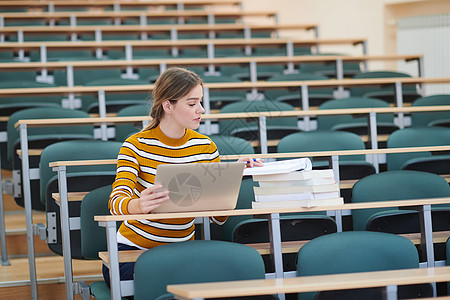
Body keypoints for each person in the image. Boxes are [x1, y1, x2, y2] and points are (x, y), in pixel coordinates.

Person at [103, 67, 263, 287]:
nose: (202, 109)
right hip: (134, 251)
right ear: (168, 106)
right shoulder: (135, 146)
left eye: (200, 102)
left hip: (182, 251)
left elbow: (217, 219)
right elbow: (115, 202)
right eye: (192, 103)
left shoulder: (205, 147)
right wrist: (138, 205)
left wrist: (231, 180)